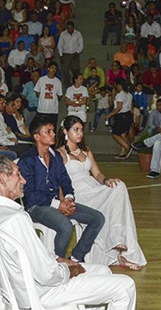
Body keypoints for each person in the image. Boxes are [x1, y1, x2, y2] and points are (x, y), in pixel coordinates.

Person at [0, 155, 140, 310]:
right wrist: (69, 270)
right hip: (41, 292)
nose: (23, 180)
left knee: (103, 271)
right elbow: (47, 275)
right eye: (17, 174)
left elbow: (27, 256)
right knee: (125, 286)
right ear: (2, 179)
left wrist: (57, 259)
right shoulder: (15, 218)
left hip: (23, 288)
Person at [56, 116, 146, 270]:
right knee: (107, 205)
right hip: (78, 193)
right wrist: (62, 200)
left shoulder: (85, 150)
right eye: (75, 130)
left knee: (119, 186)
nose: (80, 133)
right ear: (65, 131)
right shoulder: (59, 154)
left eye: (81, 130)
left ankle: (117, 240)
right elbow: (58, 181)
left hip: (92, 187)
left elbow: (97, 173)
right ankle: (117, 252)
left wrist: (106, 181)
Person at [17, 116, 104, 263]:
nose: (53, 134)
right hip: (36, 206)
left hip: (57, 202)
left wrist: (69, 198)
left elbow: (65, 180)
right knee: (65, 226)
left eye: (53, 131)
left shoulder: (55, 156)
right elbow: (30, 194)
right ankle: (59, 263)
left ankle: (76, 257)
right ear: (37, 136)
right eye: (48, 132)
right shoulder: (27, 159)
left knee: (97, 218)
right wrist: (58, 205)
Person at [109, 79, 135, 159]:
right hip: (128, 115)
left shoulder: (120, 95)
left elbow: (119, 108)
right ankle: (122, 153)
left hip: (122, 116)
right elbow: (131, 106)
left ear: (119, 85)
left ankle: (128, 147)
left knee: (115, 134)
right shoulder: (129, 94)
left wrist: (110, 115)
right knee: (123, 134)